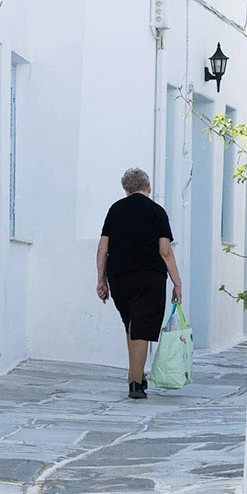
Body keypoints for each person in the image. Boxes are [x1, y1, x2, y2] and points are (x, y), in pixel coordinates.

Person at [96, 167, 184, 399]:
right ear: (148, 187)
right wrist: (177, 282)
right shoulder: (157, 211)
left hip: (120, 277)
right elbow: (165, 251)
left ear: (125, 190)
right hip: (150, 276)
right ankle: (135, 382)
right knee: (141, 328)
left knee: (132, 326)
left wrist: (101, 279)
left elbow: (103, 248)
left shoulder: (115, 210)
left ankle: (138, 375)